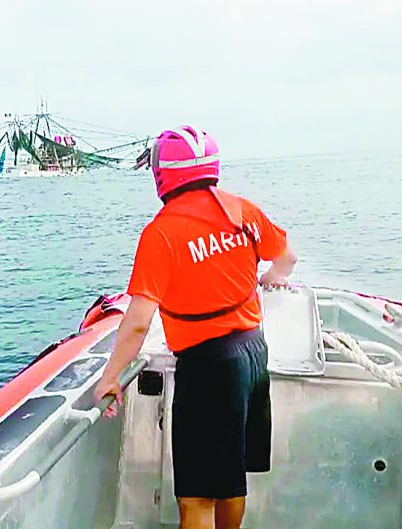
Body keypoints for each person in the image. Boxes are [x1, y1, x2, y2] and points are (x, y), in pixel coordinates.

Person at [94, 125, 297, 529]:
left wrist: (110, 376)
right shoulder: (242, 210)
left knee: (197, 496)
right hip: (254, 353)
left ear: (163, 174)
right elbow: (287, 258)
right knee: (230, 478)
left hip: (209, 366)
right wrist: (270, 277)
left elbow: (137, 323)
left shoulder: (162, 233)